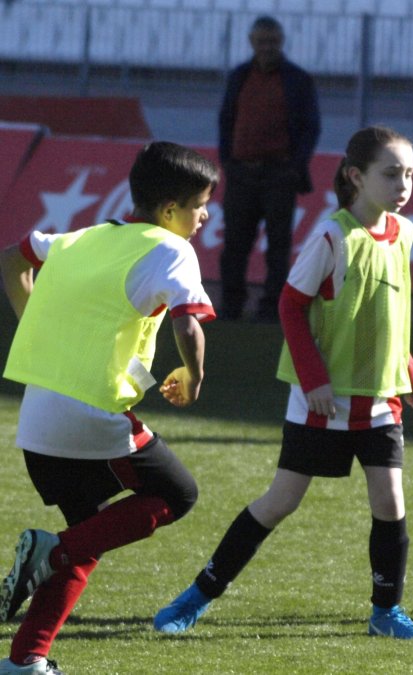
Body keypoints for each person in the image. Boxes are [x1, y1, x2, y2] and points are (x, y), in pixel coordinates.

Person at [153, 127, 413, 641]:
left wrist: (410, 374)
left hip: (378, 401)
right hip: (321, 401)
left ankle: (386, 612)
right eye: (391, 173)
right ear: (355, 176)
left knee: (390, 503)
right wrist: (315, 380)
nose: (403, 183)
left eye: (409, 173)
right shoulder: (332, 236)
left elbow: (393, 315)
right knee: (281, 500)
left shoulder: (405, 233)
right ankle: (197, 595)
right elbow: (290, 305)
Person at [0, 141, 218, 675]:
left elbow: (12, 259)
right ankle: (45, 556)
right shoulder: (171, 248)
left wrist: (32, 321)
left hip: (37, 424)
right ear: (170, 211)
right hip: (92, 418)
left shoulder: (88, 235)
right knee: (177, 493)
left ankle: (27, 658)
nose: (205, 215)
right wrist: (193, 375)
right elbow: (188, 321)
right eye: (199, 204)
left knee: (86, 537)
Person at [218, 15, 320, 322]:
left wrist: (294, 167)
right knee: (235, 243)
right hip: (242, 173)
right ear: (251, 42)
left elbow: (310, 127)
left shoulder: (298, 80)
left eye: (272, 41)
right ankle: (231, 305)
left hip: (279, 173)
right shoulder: (238, 76)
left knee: (278, 247)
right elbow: (226, 120)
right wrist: (229, 162)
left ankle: (271, 307)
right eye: (261, 41)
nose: (266, 47)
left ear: (281, 42)